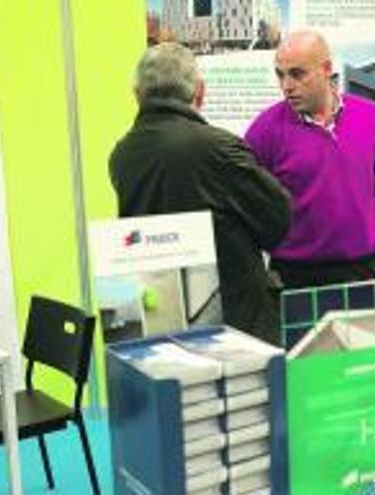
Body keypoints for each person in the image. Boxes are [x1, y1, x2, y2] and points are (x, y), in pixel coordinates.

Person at [109, 42, 292, 344]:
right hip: (234, 327)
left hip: (157, 318)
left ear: (138, 95)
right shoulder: (219, 149)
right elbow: (278, 220)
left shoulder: (122, 155)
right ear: (200, 91)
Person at [245, 30, 375, 290]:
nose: (286, 85)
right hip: (293, 277)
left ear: (326, 69)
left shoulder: (372, 118)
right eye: (280, 74)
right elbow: (250, 204)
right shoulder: (264, 130)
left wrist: (350, 230)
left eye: (297, 74)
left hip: (362, 270)